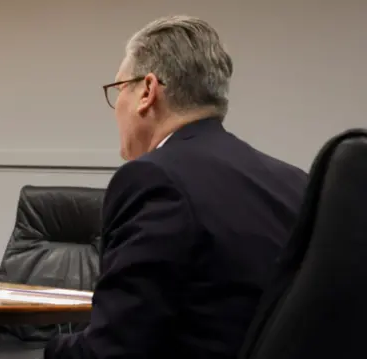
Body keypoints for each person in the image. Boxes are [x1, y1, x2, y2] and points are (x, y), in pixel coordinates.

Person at [44, 15, 308, 359]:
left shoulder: (153, 178)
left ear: (147, 91)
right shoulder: (295, 182)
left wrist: (41, 352)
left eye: (119, 89)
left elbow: (112, 350)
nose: (116, 108)